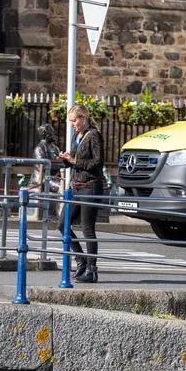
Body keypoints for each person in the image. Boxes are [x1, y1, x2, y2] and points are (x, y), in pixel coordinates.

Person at [56, 104, 104, 283]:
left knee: (87, 228)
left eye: (74, 120)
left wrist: (74, 160)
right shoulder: (76, 136)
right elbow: (73, 164)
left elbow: (98, 162)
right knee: (62, 224)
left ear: (84, 118)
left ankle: (92, 270)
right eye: (70, 121)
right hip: (76, 185)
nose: (72, 124)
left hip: (91, 185)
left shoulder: (94, 136)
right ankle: (80, 259)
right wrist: (65, 160)